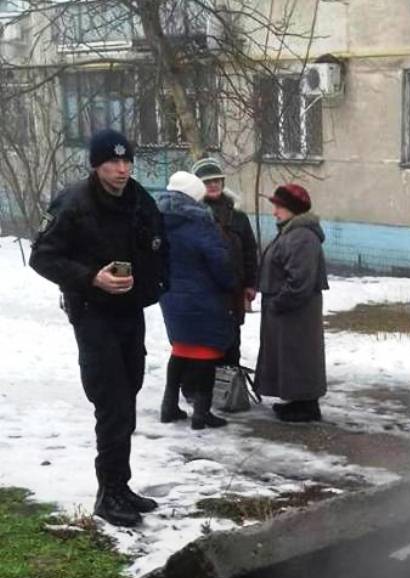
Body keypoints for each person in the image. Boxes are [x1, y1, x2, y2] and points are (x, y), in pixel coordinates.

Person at [29, 128, 167, 527]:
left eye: (127, 161)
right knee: (112, 401)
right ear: (96, 164)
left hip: (129, 312)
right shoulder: (73, 203)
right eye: (113, 162)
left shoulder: (139, 199)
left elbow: (159, 244)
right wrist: (92, 277)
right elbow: (42, 257)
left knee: (129, 393)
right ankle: (108, 493)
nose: (122, 169)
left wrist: (156, 283)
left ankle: (121, 486)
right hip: (93, 313)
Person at [157, 171, 236, 430]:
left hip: (171, 296)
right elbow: (219, 261)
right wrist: (230, 284)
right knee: (206, 351)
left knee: (180, 348)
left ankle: (169, 406)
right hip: (203, 296)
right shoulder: (200, 222)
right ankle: (202, 414)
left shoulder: (158, 218)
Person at [255, 183, 329, 422]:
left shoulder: (302, 237)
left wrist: (278, 303)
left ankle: (306, 405)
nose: (275, 212)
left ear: (293, 209)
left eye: (279, 207)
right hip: (289, 310)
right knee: (291, 357)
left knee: (298, 356)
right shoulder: (292, 232)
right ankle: (297, 401)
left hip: (295, 312)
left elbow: (299, 281)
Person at [191, 157, 259, 366]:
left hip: (233, 292)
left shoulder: (238, 216)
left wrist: (251, 284)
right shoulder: (193, 215)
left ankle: (230, 387)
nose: (213, 185)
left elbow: (249, 251)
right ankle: (199, 389)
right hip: (203, 292)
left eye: (217, 180)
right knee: (204, 344)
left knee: (231, 341)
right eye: (207, 181)